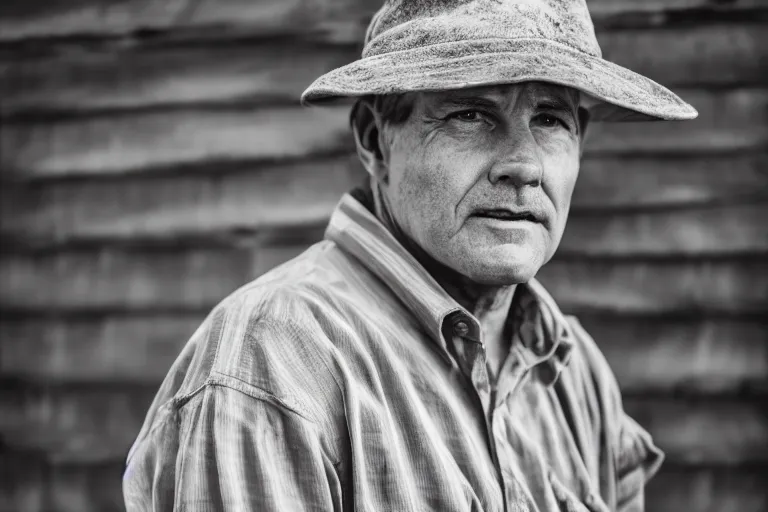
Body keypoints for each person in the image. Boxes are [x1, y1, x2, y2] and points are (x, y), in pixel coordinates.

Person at [123, 1, 697, 510]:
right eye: (470, 114)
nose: (523, 165)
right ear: (375, 139)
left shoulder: (575, 371)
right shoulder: (273, 359)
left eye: (550, 119)